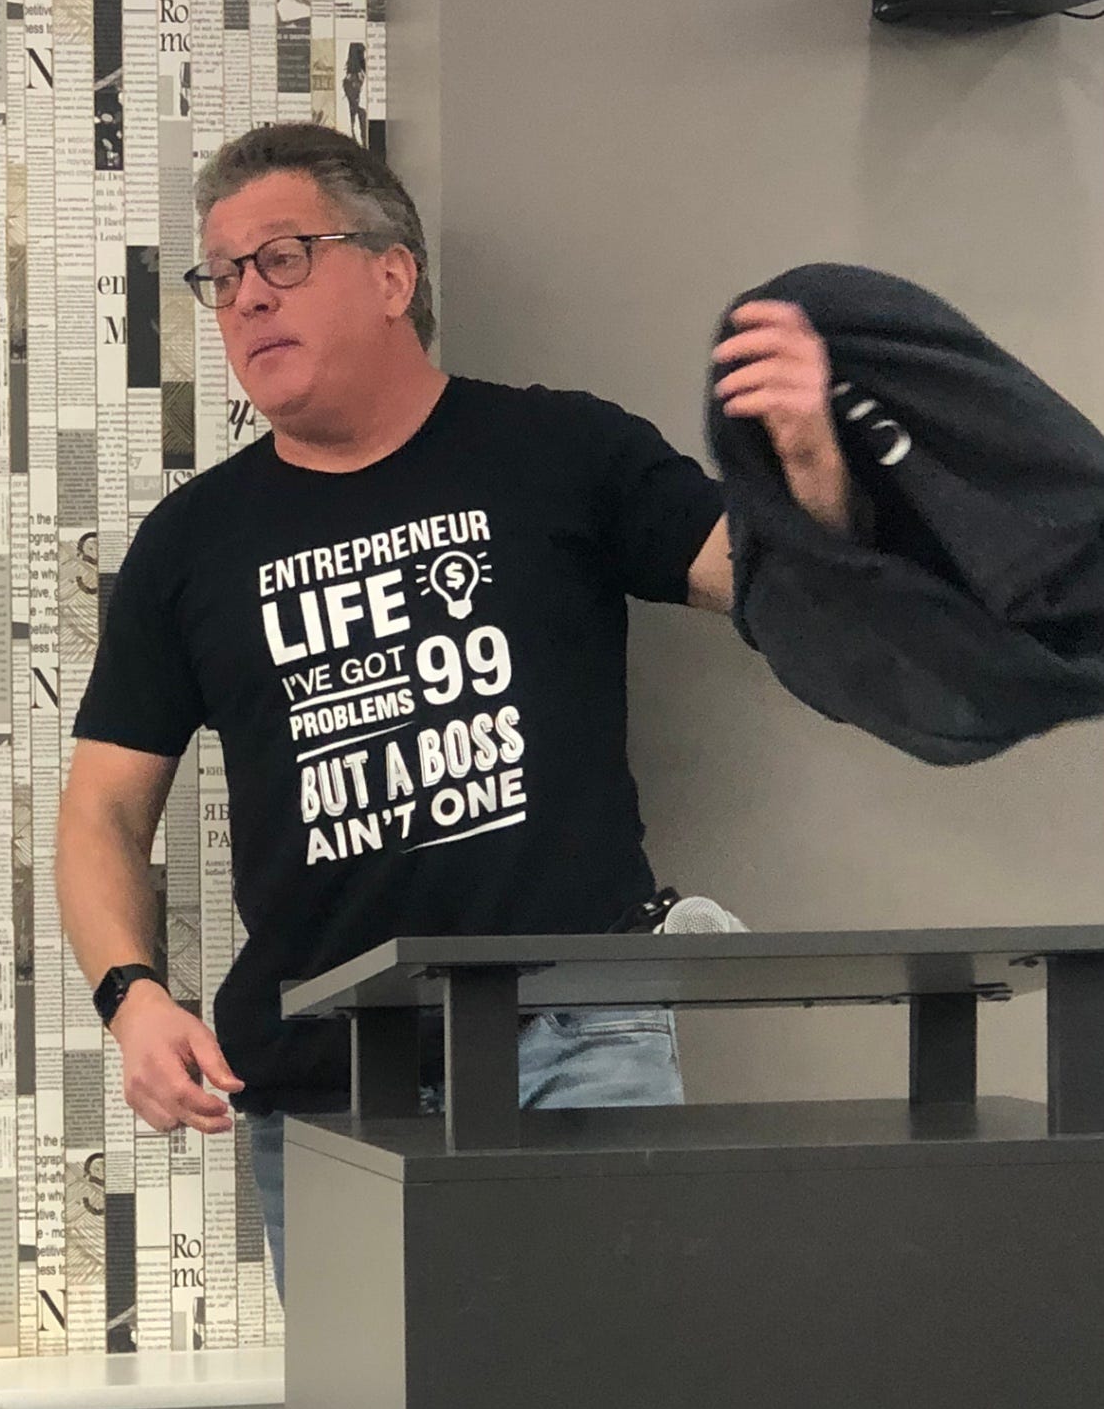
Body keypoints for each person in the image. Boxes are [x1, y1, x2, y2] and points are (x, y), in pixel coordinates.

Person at [55, 123, 854, 1302]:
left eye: (281, 258)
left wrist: (817, 461)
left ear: (393, 274)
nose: (243, 301)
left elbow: (797, 591)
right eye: (220, 277)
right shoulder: (190, 545)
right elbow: (101, 816)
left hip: (576, 1040)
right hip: (326, 1083)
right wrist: (131, 997)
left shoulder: (561, 449)